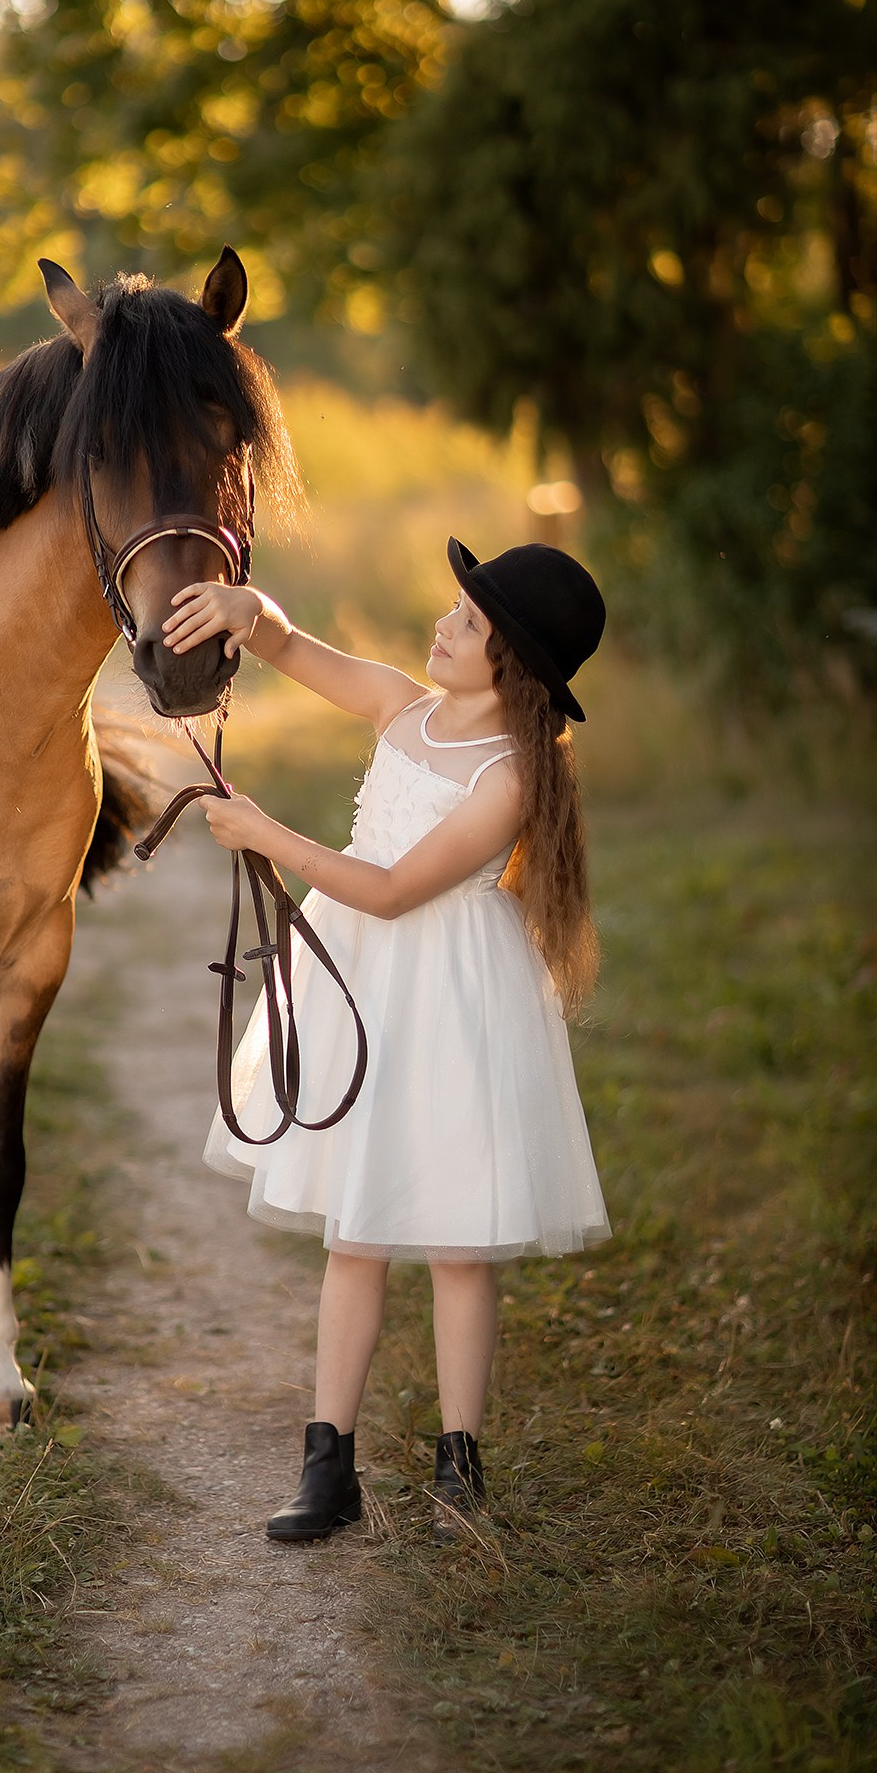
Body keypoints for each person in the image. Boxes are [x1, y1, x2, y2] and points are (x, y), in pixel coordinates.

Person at [160, 537, 611, 1543]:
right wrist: (246, 609)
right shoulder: (402, 705)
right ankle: (328, 1465)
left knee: (458, 1242)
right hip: (359, 977)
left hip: (450, 993)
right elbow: (292, 648)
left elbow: (398, 889)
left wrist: (270, 837)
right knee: (353, 1230)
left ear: (511, 663)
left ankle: (460, 1467)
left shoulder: (508, 776)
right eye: (454, 609)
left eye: (468, 623)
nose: (443, 626)